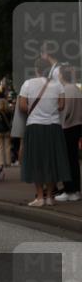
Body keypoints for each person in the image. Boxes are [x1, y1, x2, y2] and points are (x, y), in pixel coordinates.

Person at [19, 59, 69, 207]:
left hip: (35, 126)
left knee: (36, 162)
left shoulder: (27, 84)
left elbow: (22, 106)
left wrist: (37, 110)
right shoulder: (58, 85)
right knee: (52, 161)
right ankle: (50, 197)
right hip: (53, 127)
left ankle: (40, 197)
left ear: (36, 70)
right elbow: (61, 106)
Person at [55, 66, 82, 203]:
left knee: (66, 161)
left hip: (67, 128)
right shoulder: (76, 88)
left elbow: (65, 112)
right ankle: (75, 189)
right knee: (73, 160)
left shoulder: (67, 90)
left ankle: (69, 190)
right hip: (77, 126)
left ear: (61, 76)